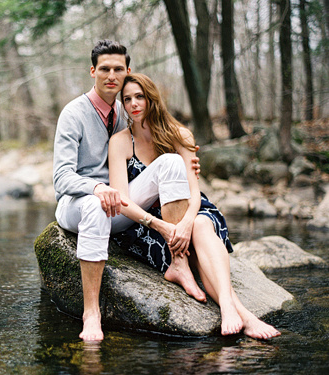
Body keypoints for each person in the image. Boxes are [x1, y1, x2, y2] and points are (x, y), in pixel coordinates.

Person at [108, 73, 281, 340]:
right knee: (194, 242)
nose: (134, 104)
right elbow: (123, 199)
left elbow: (193, 190)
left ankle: (229, 308)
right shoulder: (120, 141)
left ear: (152, 98)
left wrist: (188, 220)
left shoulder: (180, 134)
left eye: (140, 96)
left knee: (201, 224)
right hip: (149, 221)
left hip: (190, 208)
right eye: (127, 98)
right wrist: (166, 226)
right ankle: (244, 314)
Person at [53, 40, 202, 342]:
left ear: (127, 71)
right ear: (93, 71)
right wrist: (95, 187)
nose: (111, 75)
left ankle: (179, 263)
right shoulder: (73, 114)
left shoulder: (127, 109)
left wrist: (189, 159)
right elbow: (61, 178)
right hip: (78, 205)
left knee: (170, 164)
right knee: (96, 206)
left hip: (119, 205)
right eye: (104, 68)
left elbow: (158, 139)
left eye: (118, 69)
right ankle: (91, 313)